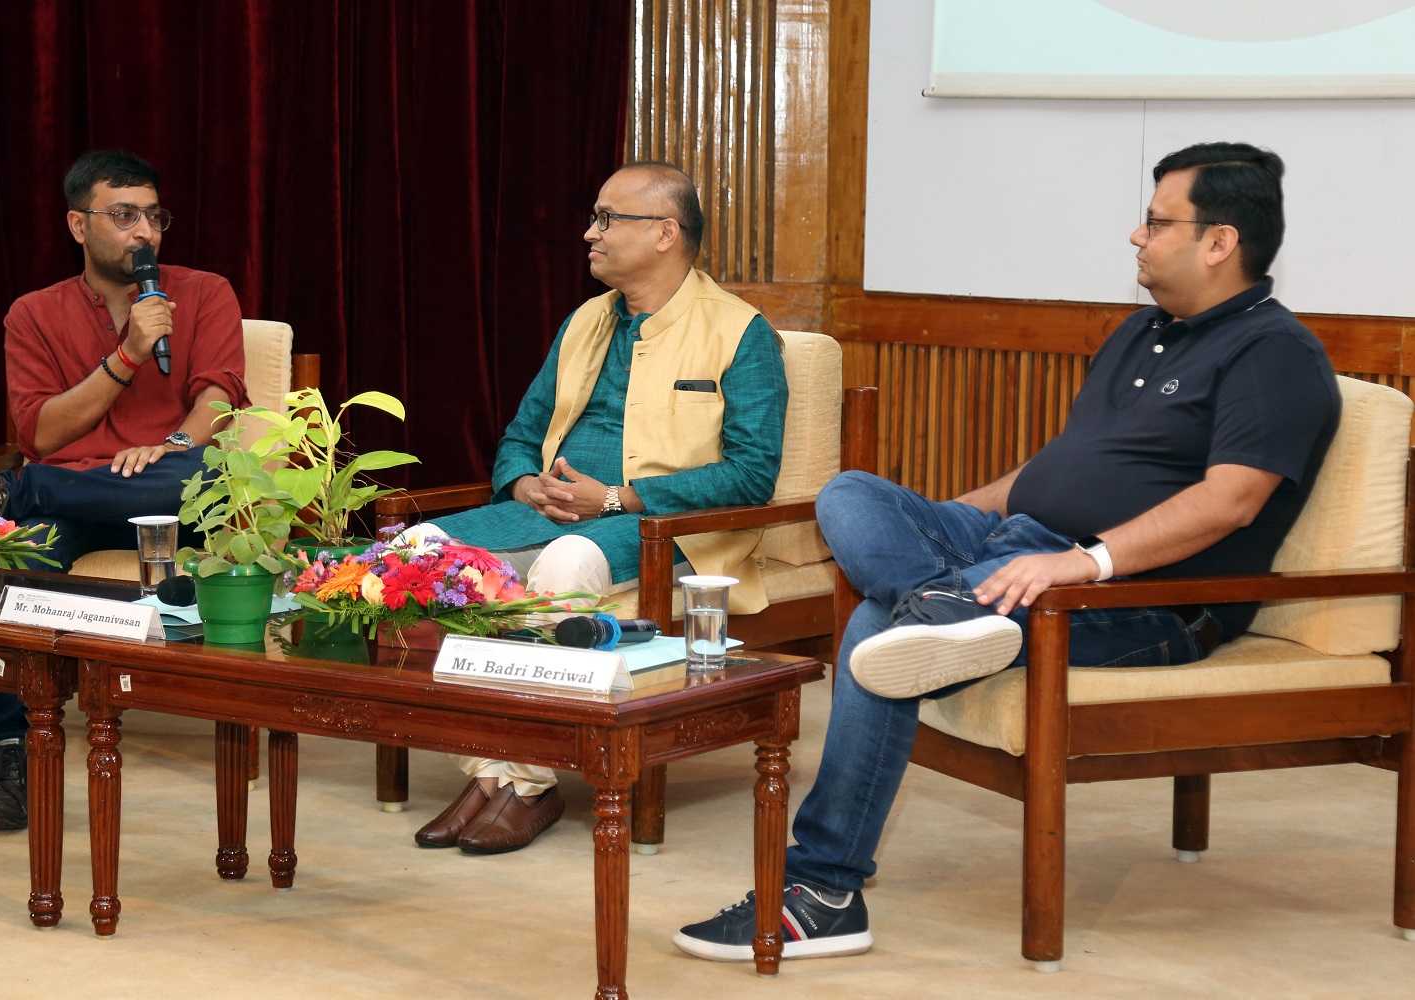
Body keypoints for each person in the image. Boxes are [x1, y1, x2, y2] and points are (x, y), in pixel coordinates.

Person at [674, 142, 1341, 960]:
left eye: (1159, 221)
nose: (1137, 235)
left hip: (1139, 598)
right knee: (851, 495)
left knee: (876, 634)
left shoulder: (1275, 355)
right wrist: (954, 520)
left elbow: (1230, 500)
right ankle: (947, 606)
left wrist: (1083, 561)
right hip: (1010, 546)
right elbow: (1061, 466)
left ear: (1219, 242)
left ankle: (821, 891)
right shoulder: (1141, 333)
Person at [404, 161, 789, 854]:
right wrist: (522, 482)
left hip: (662, 528)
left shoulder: (742, 333)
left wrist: (619, 497)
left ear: (666, 232)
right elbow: (523, 433)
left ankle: (521, 783)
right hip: (550, 506)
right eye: (595, 218)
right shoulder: (586, 320)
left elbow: (752, 474)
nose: (590, 233)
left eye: (609, 219)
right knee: (422, 550)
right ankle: (491, 770)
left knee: (567, 559)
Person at [0, 149, 248, 831]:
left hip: (173, 491)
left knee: (202, 473)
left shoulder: (205, 292)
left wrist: (168, 448)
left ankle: (17, 494)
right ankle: (10, 754)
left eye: (154, 217)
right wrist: (129, 353)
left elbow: (219, 402)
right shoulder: (34, 314)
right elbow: (43, 431)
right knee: (26, 561)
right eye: (124, 216)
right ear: (79, 226)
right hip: (78, 497)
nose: (145, 233)